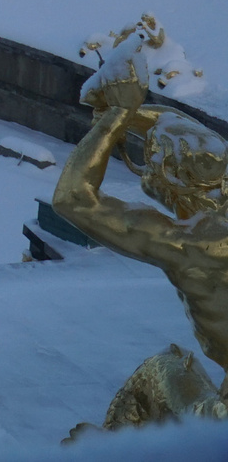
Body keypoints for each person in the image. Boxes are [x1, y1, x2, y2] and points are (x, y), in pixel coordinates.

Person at [53, 52, 228, 426]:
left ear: (170, 190)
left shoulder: (191, 248)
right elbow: (198, 140)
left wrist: (117, 116)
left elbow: (75, 200)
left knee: (160, 370)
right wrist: (131, 115)